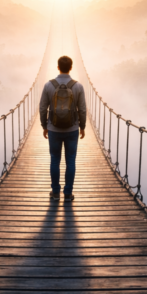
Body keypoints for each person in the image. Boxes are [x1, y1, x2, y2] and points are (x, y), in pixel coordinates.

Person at [39, 55, 86, 202]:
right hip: (72, 129)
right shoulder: (78, 86)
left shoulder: (48, 85)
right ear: (71, 67)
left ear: (58, 67)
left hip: (54, 129)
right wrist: (82, 126)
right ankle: (68, 194)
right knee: (70, 160)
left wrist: (44, 126)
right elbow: (82, 109)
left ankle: (55, 193)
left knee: (55, 160)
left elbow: (42, 108)